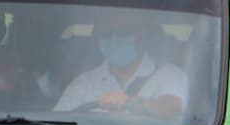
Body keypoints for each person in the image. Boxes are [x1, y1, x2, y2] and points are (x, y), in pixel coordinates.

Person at [53, 13, 187, 119]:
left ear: (141, 36)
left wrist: (130, 103)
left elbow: (173, 109)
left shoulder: (170, 74)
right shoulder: (84, 82)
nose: (114, 38)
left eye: (123, 32)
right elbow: (57, 124)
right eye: (107, 34)